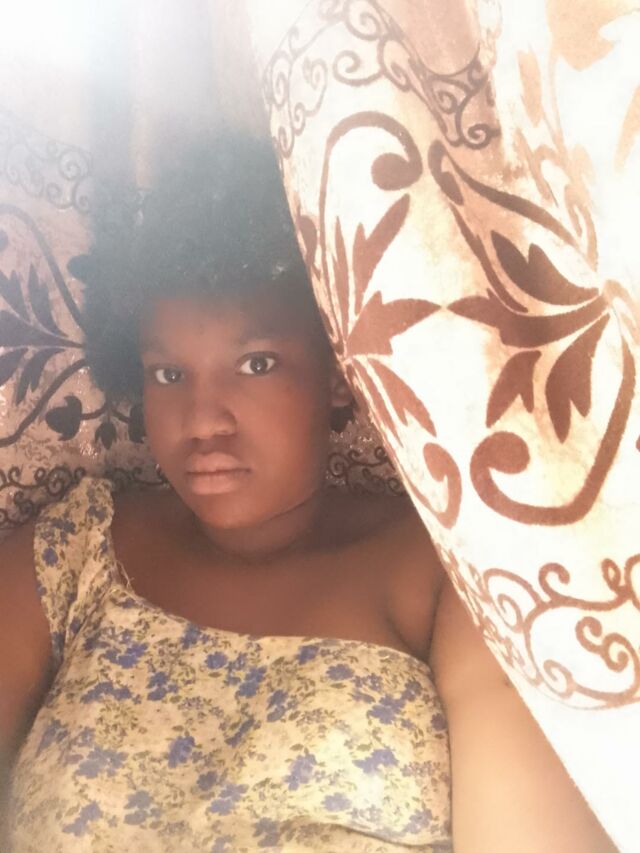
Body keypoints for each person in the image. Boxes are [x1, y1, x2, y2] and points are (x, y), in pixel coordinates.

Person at [0, 134, 614, 852]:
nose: (203, 420)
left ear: (336, 372)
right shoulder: (74, 553)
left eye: (256, 364)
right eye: (169, 374)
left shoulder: (448, 572)